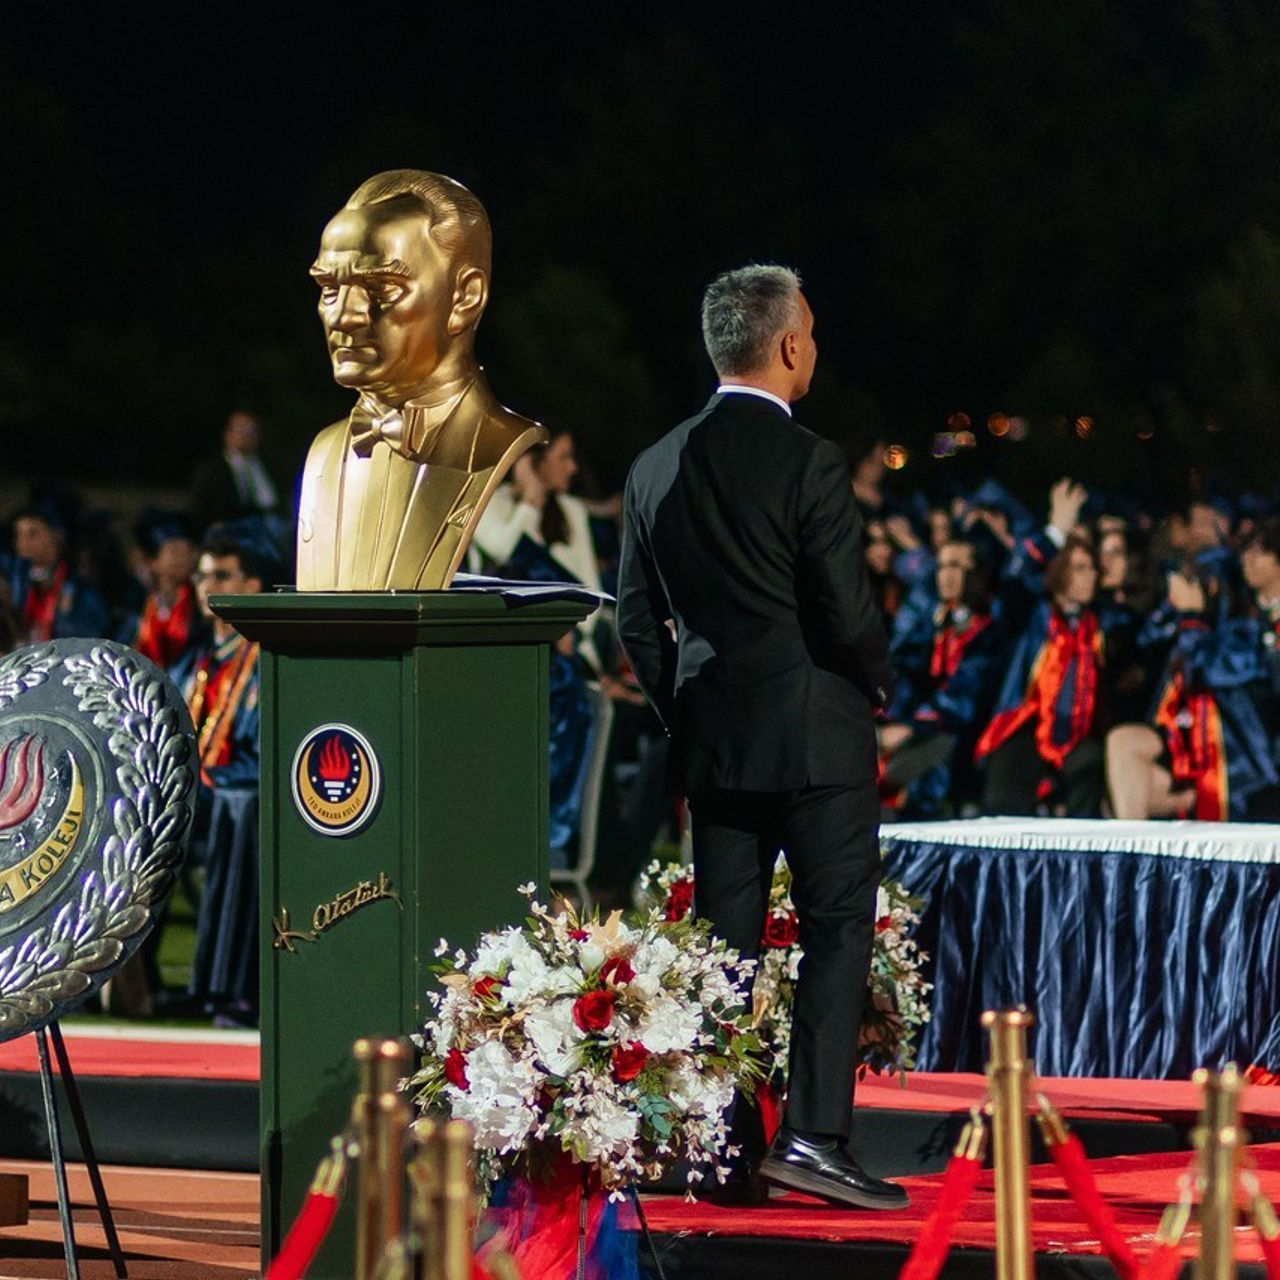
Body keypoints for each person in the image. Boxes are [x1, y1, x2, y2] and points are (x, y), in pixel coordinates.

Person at [618, 264, 905, 1210]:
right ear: (786, 345)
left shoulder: (654, 465)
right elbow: (847, 611)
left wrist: (683, 711)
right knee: (833, 932)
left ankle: (725, 1148)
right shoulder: (810, 461)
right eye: (811, 333)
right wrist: (877, 682)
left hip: (718, 750)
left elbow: (633, 621)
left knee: (726, 951)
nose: (814, 348)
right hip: (818, 741)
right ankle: (815, 1138)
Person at [296, 169, 546, 591]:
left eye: (379, 290)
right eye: (329, 290)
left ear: (465, 298)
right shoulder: (323, 454)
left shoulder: (495, 446)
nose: (343, 317)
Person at [974, 480, 1109, 816]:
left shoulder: (1097, 626)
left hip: (1073, 739)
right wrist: (1056, 533)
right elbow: (1017, 578)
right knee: (1006, 808)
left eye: (1091, 567)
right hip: (1023, 727)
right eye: (1079, 567)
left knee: (1091, 759)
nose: (1090, 575)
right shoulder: (1031, 613)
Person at [2, 499, 110, 644]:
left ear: (57, 535)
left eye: (32, 534)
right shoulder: (12, 579)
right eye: (18, 535)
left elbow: (90, 639)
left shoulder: (79, 588)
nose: (23, 543)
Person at [189, 411, 282, 536]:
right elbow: (200, 509)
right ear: (228, 434)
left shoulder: (268, 466)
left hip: (271, 525)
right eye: (240, 430)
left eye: (251, 431)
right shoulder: (212, 470)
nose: (246, 436)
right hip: (232, 530)